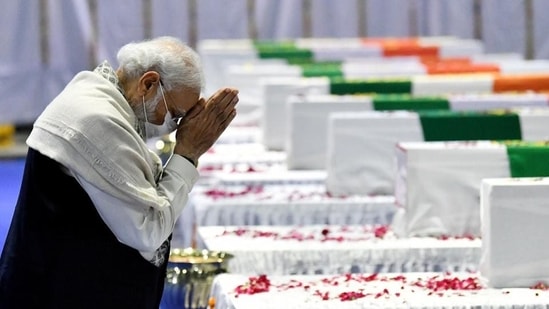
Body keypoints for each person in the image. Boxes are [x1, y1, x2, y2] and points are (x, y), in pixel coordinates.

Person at [0, 36, 238, 308]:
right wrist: (187, 153)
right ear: (148, 84)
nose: (173, 127)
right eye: (175, 114)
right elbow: (147, 232)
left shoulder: (98, 94)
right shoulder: (97, 118)